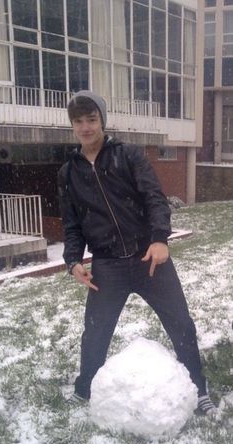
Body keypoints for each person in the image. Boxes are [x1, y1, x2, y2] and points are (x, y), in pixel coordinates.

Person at [58, 90, 215, 415]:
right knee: (96, 331)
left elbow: (154, 197)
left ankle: (197, 388)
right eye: (79, 121)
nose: (86, 127)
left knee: (181, 325)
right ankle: (86, 388)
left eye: (92, 119)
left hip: (149, 260)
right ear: (72, 125)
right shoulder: (68, 173)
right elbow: (72, 224)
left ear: (102, 120)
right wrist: (73, 261)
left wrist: (160, 239)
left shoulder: (127, 155)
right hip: (107, 266)